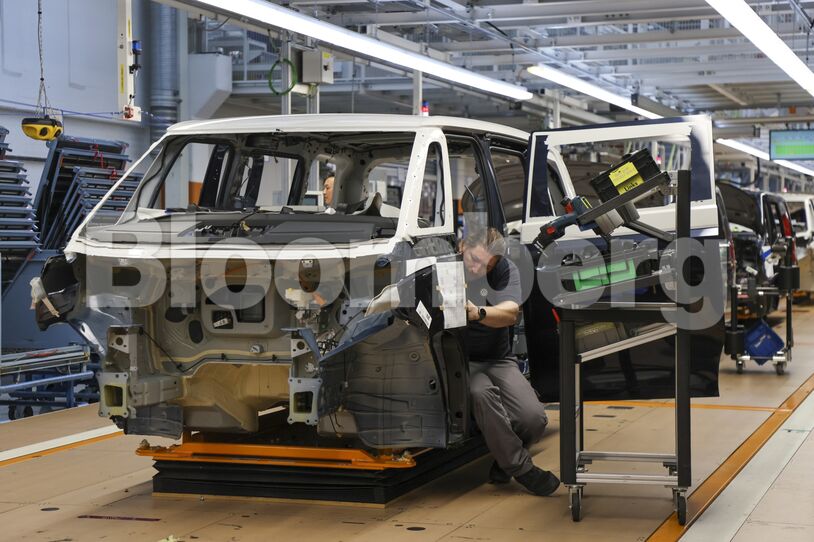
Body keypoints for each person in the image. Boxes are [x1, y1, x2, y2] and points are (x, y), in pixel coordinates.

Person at [461, 227, 560, 497]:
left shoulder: (504, 270)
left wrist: (477, 312)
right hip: (463, 362)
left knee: (534, 419)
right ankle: (522, 469)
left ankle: (504, 459)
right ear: (462, 247)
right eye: (473, 259)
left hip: (499, 358)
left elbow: (510, 314)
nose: (476, 267)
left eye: (485, 264)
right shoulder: (447, 270)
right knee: (481, 393)